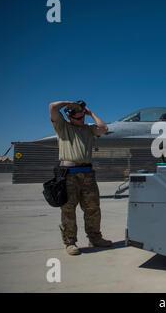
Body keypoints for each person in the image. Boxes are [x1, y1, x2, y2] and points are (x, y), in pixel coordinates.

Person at [49, 100, 112, 256]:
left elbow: (104, 128)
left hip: (88, 174)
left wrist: (90, 113)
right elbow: (52, 107)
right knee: (68, 210)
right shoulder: (62, 126)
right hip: (68, 174)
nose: (81, 120)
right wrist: (68, 103)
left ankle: (95, 237)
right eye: (78, 118)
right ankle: (70, 242)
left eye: (83, 117)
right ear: (70, 117)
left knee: (93, 208)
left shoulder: (89, 129)